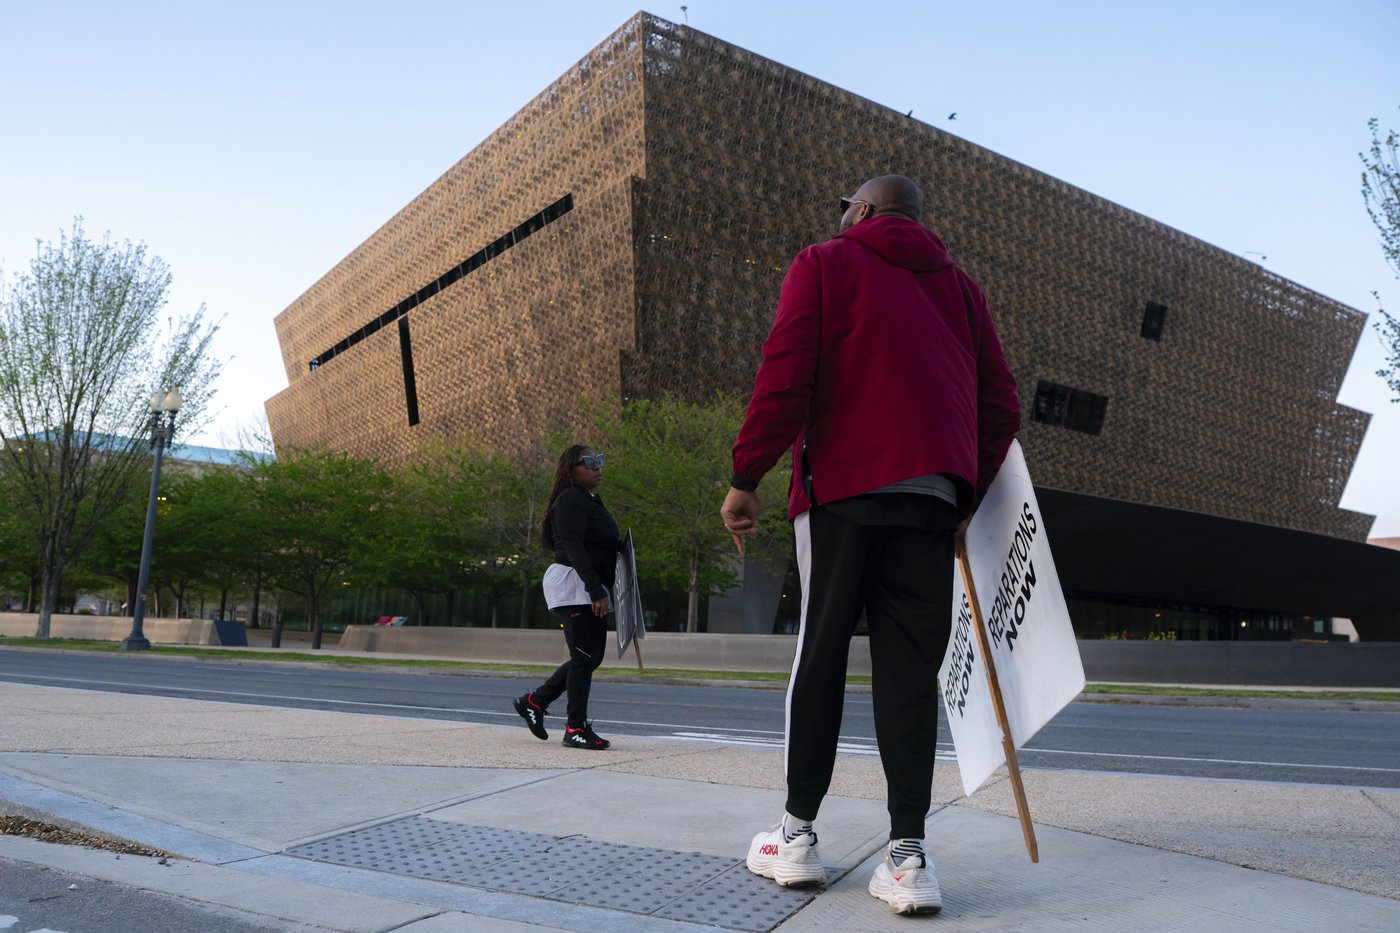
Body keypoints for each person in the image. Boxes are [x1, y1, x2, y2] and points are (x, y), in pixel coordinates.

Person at [720, 175, 1020, 914]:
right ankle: (908, 857)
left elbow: (787, 371)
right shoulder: (964, 292)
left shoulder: (825, 262)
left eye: (844, 209)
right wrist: (964, 496)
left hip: (842, 491)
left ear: (861, 210)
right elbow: (1001, 405)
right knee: (911, 675)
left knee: (819, 656)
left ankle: (796, 836)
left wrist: (746, 474)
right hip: (930, 504)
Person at [513, 444, 619, 750]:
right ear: (570, 469)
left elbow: (595, 541)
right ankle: (575, 728)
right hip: (575, 585)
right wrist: (595, 589)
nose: (597, 467)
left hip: (586, 585)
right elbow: (572, 546)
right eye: (589, 462)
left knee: (590, 657)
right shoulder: (570, 498)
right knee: (585, 657)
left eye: (599, 461)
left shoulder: (589, 499)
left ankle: (535, 702)